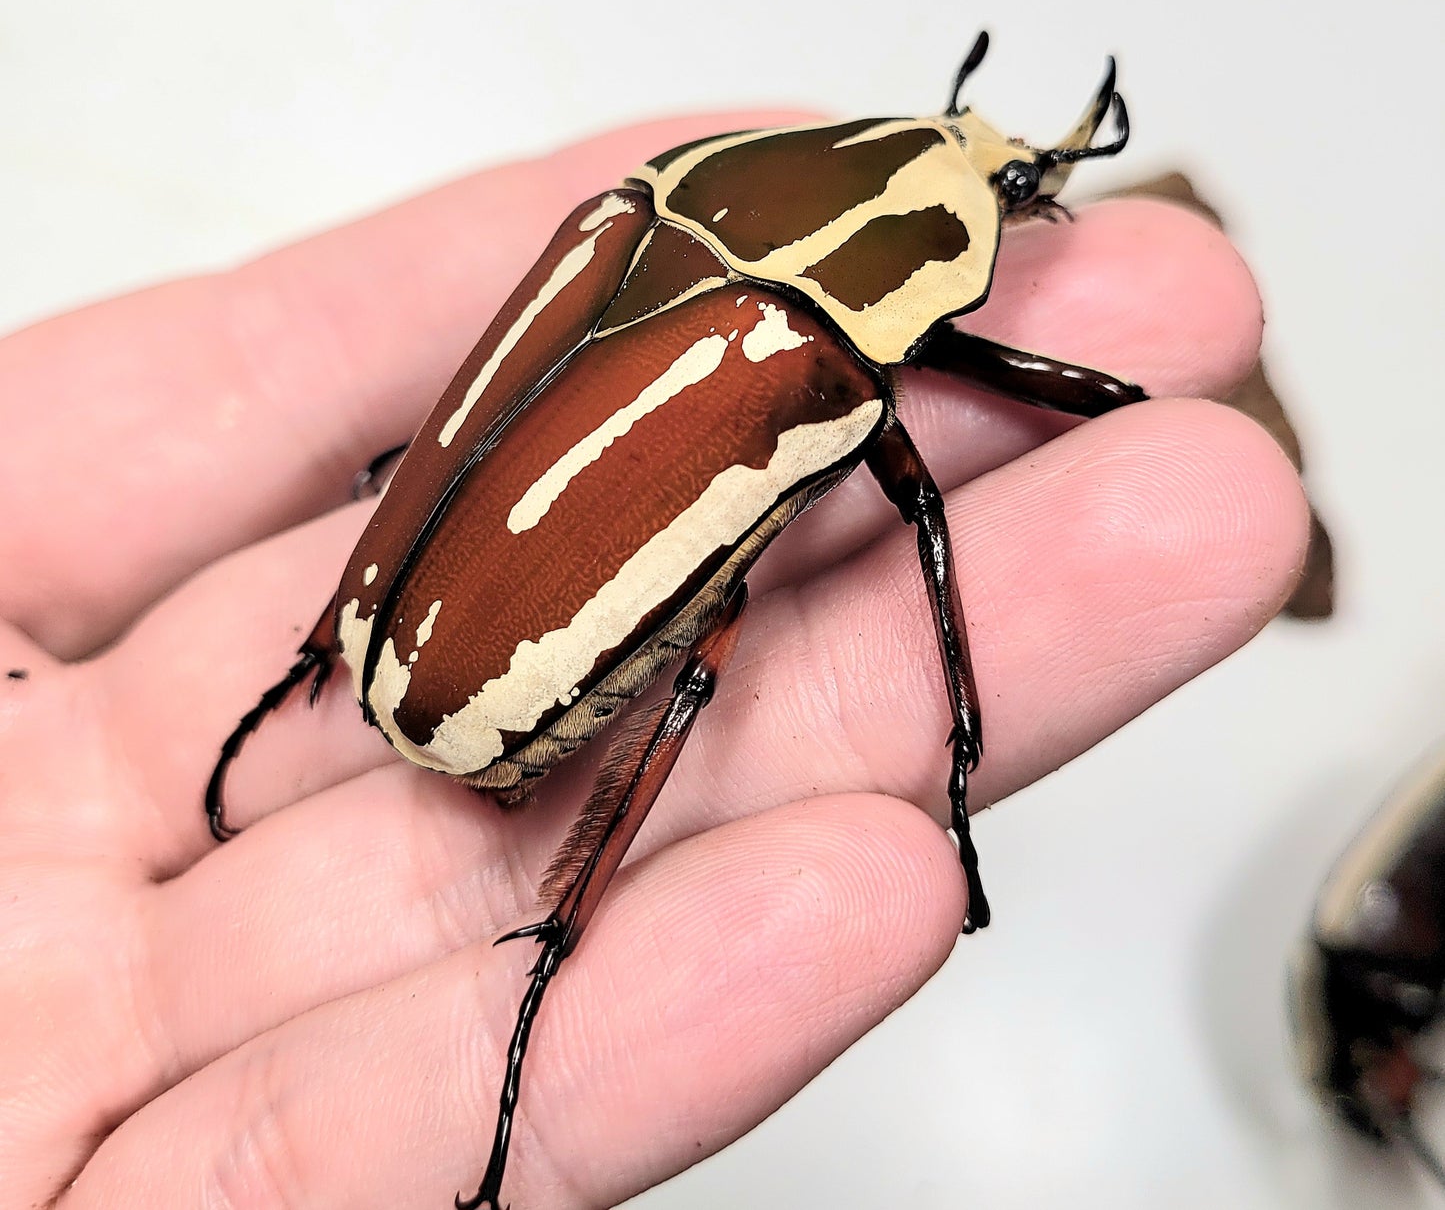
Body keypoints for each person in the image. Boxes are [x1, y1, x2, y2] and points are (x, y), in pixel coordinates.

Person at [0, 113, 1307, 1208]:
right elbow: (951, 518)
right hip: (483, 684)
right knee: (702, 670)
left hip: (412, 608)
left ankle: (328, 676)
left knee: (439, 472)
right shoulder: (807, 350)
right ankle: (543, 951)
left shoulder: (625, 216)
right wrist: (957, 754)